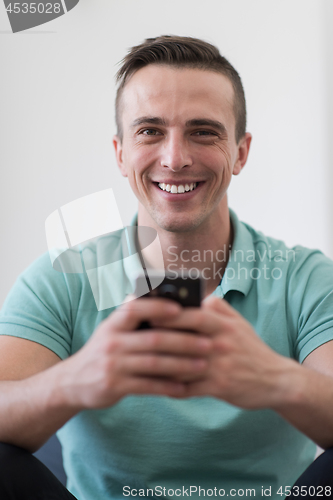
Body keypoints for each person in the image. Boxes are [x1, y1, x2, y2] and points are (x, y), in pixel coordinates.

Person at [1, 35, 333, 500]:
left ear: (241, 152)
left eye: (203, 131)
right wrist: (76, 380)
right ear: (120, 153)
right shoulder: (64, 277)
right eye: (150, 131)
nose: (175, 159)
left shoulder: (304, 277)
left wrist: (275, 378)